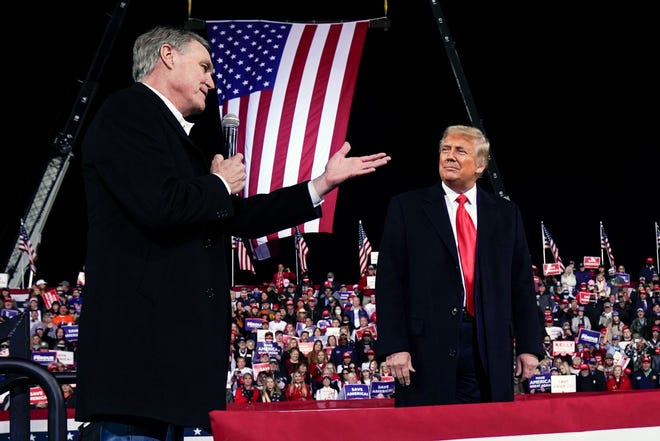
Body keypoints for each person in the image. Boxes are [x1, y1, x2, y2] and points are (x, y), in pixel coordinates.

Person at [75, 25, 390, 438]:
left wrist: (321, 184)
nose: (211, 80)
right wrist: (218, 184)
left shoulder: (166, 133)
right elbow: (159, 206)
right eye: (204, 67)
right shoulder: (128, 112)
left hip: (162, 372)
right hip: (137, 365)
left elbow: (235, 218)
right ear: (167, 56)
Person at [376, 125, 542, 407]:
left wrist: (529, 346)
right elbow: (389, 282)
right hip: (425, 349)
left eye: (460, 151)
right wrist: (395, 346)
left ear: (480, 165)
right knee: (429, 431)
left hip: (489, 344)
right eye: (445, 149)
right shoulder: (407, 208)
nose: (449, 156)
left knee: (487, 430)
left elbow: (522, 285)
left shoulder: (505, 214)